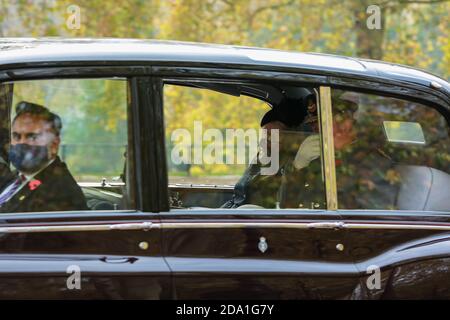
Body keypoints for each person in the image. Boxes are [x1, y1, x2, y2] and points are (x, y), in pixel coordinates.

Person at [0, 101, 88, 213]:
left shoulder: (59, 193)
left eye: (32, 137)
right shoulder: (17, 177)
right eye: (16, 136)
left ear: (54, 145)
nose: (22, 143)